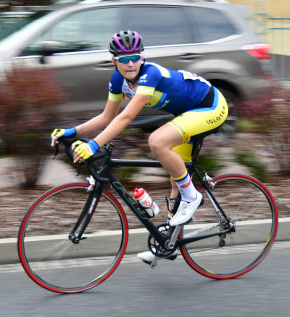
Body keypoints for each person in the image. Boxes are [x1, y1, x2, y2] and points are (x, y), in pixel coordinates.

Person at [50, 30, 229, 263]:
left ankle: (193, 196)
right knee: (176, 176)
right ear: (114, 61)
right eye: (124, 59)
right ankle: (167, 244)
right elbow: (107, 117)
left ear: (142, 57)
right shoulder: (117, 81)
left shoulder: (150, 74)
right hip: (186, 112)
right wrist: (72, 131)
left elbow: (125, 118)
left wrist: (93, 145)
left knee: (157, 141)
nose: (131, 63)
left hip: (211, 106)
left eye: (135, 57)